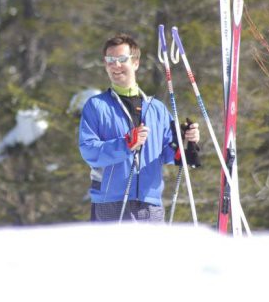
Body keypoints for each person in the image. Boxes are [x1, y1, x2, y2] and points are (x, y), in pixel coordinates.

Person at [79, 33, 200, 222]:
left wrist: (186, 140)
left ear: (135, 63)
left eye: (121, 59)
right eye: (110, 60)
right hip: (110, 202)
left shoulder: (156, 109)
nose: (115, 65)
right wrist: (125, 144)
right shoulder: (97, 106)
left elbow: (169, 153)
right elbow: (89, 151)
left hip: (149, 203)